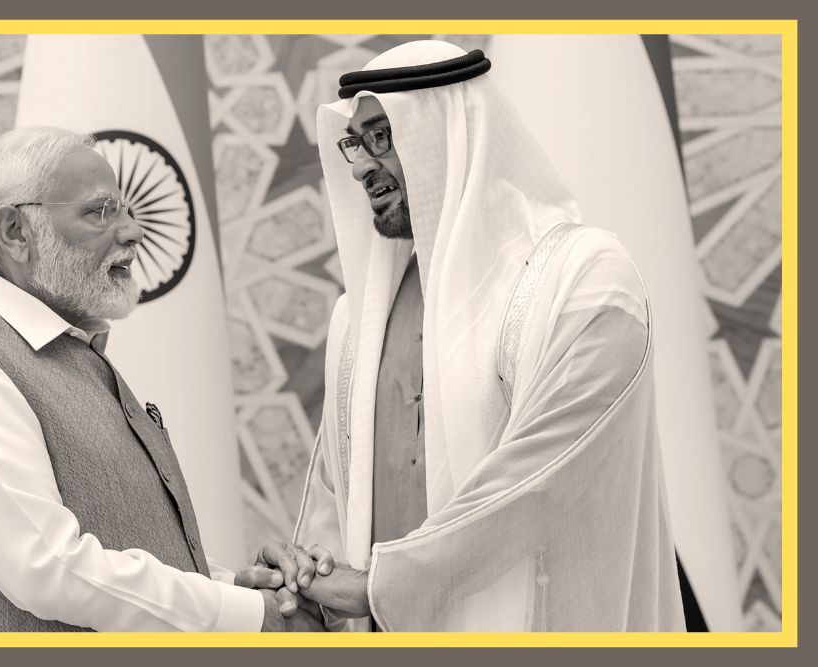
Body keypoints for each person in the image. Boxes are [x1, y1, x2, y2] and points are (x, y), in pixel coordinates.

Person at [242, 40, 687, 631]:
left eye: (383, 136)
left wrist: (380, 585)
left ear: (446, 133)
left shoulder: (584, 282)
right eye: (355, 142)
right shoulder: (358, 317)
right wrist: (304, 582)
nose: (361, 165)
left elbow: (542, 484)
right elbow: (334, 495)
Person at [0, 126, 323, 632]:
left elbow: (120, 541)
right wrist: (249, 619)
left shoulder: (71, 350)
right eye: (100, 211)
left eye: (124, 209)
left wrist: (231, 590)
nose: (133, 231)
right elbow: (47, 568)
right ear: (15, 232)